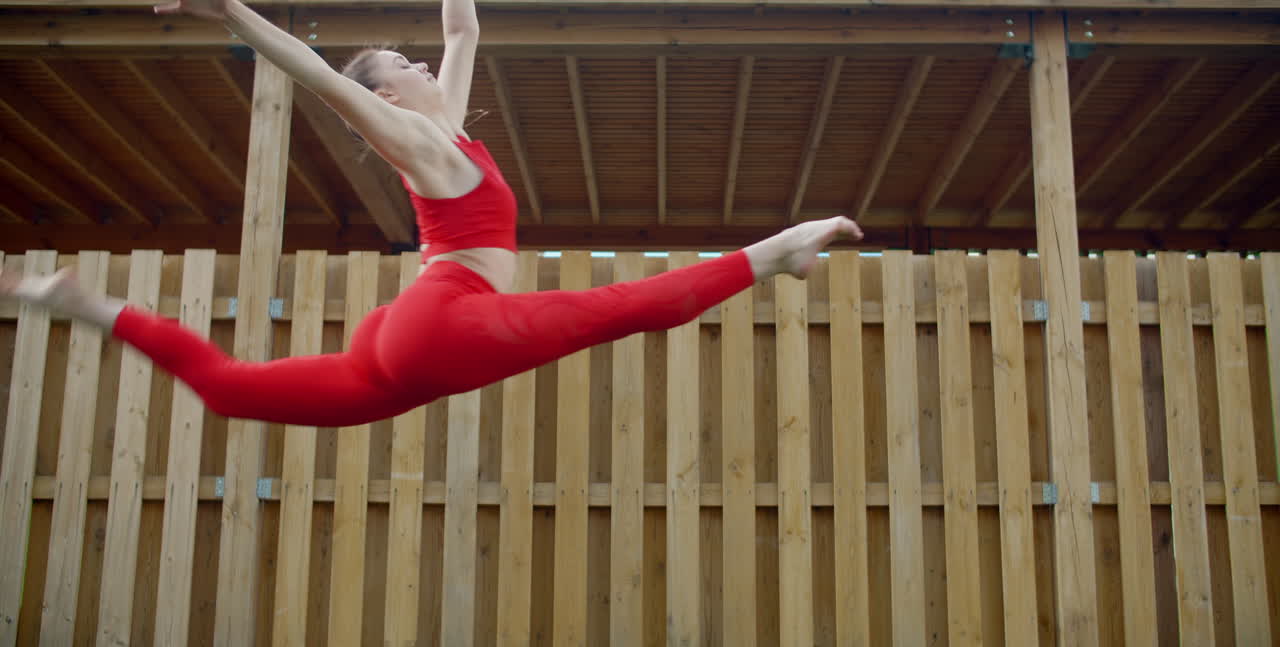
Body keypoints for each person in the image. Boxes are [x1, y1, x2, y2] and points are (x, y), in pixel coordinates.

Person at [0, 0, 863, 428]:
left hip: (406, 334)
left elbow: (462, 32)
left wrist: (447, 45)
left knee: (229, 392)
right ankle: (778, 251)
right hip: (442, 322)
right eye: (403, 67)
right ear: (386, 97)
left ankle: (83, 306)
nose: (422, 65)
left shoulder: (446, 126)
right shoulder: (412, 137)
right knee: (617, 308)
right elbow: (318, 77)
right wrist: (230, 10)